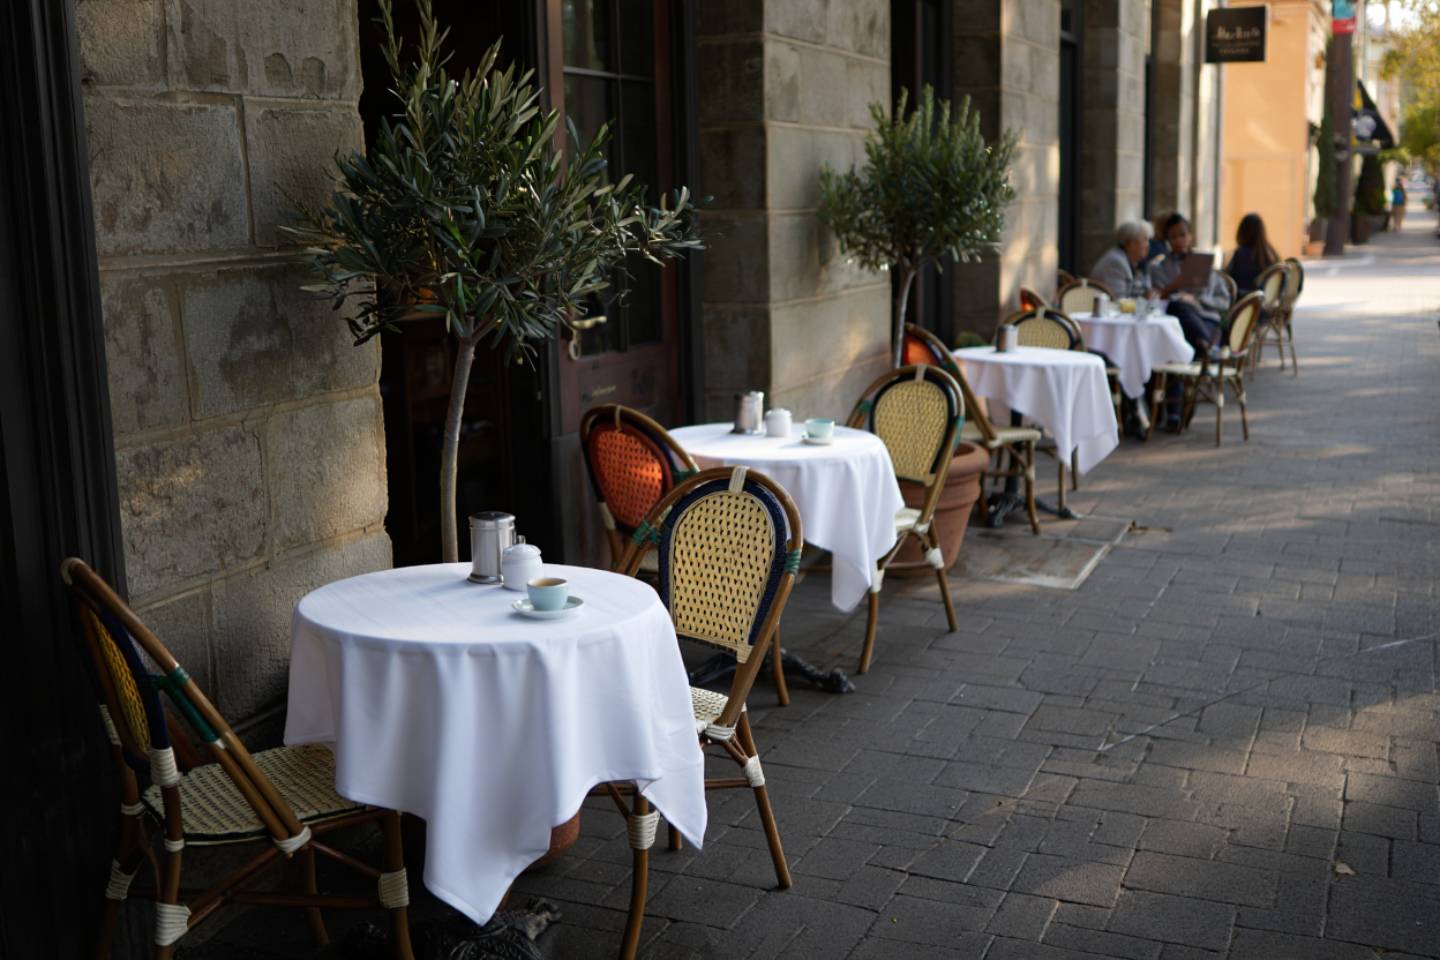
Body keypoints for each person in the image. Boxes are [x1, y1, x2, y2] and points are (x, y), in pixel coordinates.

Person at [1147, 212, 1232, 351]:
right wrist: (1175, 286)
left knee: (1188, 334)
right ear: (1168, 240)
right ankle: (1207, 349)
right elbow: (1155, 300)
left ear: (1190, 236)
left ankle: (1205, 347)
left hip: (1206, 318)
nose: (1179, 240)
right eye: (1173, 237)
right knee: (1179, 307)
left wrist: (1197, 300)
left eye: (1183, 235)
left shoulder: (1204, 263)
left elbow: (1224, 301)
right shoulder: (1159, 268)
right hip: (1174, 321)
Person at [1090, 221, 1153, 298]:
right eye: (1145, 240)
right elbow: (1119, 300)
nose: (1148, 244)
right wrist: (1144, 299)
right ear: (1131, 244)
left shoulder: (1131, 261)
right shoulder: (1116, 262)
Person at [1224, 212, 1279, 295]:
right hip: (1266, 300)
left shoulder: (1240, 254)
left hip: (1244, 299)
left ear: (1242, 232)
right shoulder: (1271, 253)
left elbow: (1230, 282)